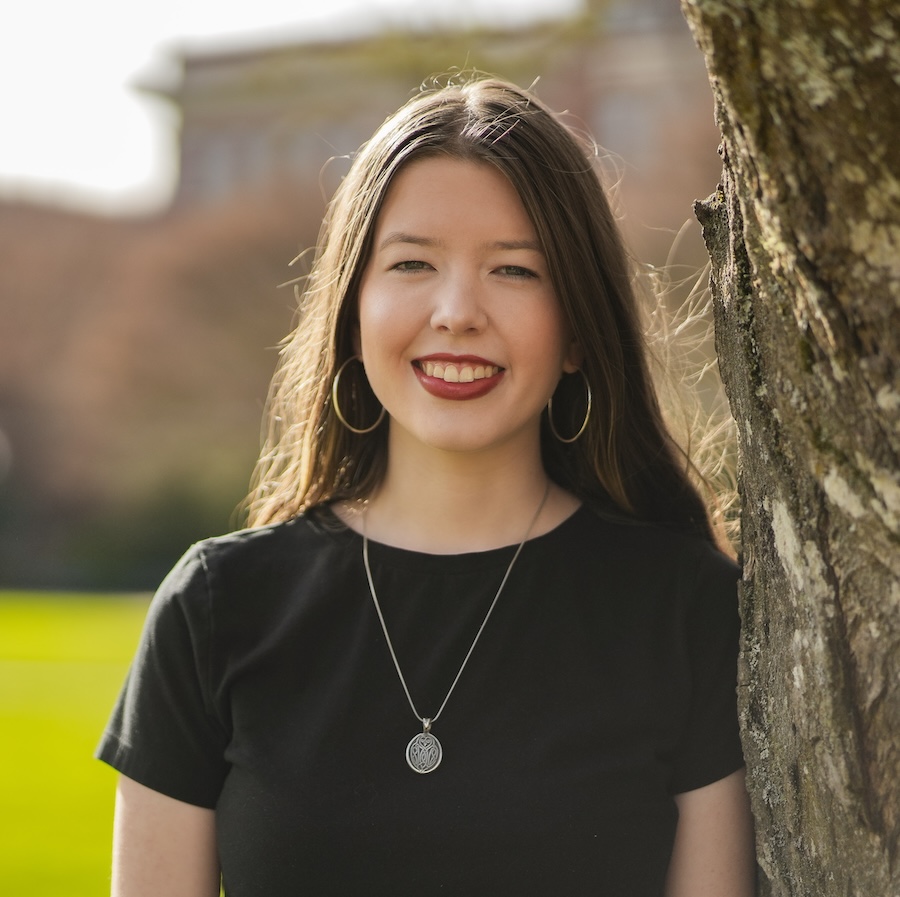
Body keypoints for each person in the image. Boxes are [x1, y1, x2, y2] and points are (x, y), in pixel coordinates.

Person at [97, 76, 756, 896]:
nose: (456, 311)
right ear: (353, 311)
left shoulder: (688, 609)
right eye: (412, 262)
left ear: (581, 329)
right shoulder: (215, 609)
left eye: (514, 271)